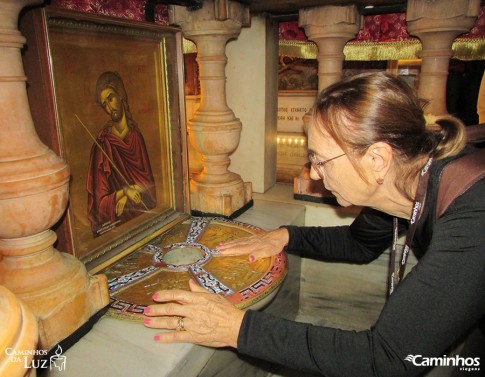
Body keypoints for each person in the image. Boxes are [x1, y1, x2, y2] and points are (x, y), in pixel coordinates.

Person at [143, 72, 485, 376]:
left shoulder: (474, 218)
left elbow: (388, 357)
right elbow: (360, 244)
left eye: (321, 160)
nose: (314, 174)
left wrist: (236, 328)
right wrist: (284, 235)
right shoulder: (405, 177)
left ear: (377, 159)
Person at [87, 71, 156, 237]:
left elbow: (149, 187)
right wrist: (124, 192)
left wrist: (131, 194)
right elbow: (100, 204)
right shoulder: (103, 144)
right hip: (117, 230)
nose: (109, 108)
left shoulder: (135, 137)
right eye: (105, 104)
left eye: (110, 99)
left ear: (121, 95)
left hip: (141, 223)